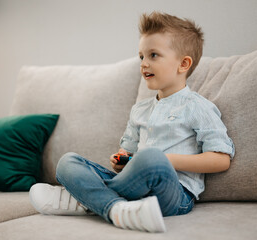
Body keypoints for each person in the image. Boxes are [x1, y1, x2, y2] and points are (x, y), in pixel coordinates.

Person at [29, 11, 235, 233]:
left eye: (153, 55)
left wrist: (167, 160)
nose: (144, 64)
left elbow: (221, 160)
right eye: (141, 57)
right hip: (134, 186)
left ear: (183, 64)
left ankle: (85, 198)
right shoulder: (140, 110)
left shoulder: (197, 106)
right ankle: (116, 209)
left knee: (152, 158)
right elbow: (125, 157)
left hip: (175, 194)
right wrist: (120, 160)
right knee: (67, 162)